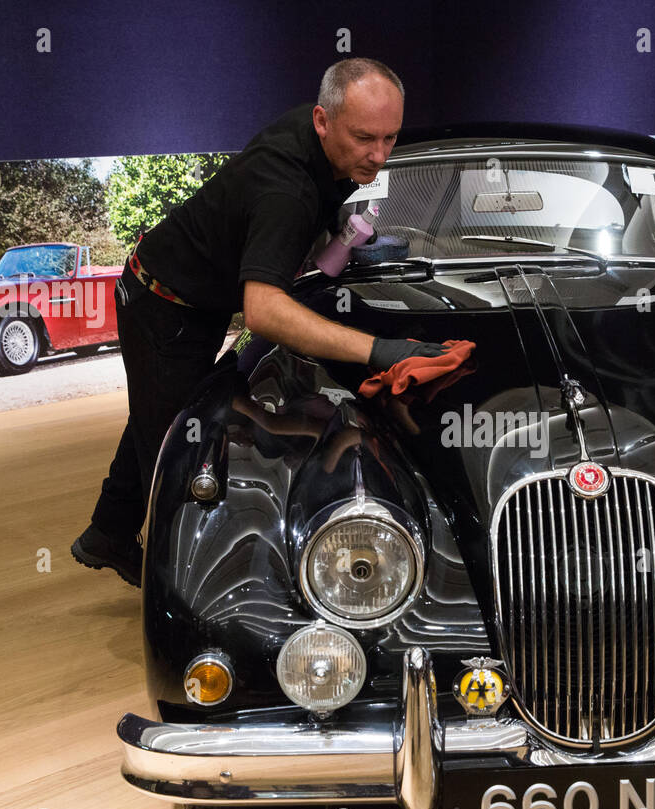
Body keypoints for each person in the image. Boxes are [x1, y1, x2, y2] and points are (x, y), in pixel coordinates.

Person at [71, 58, 445, 586]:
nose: (379, 156)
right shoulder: (286, 187)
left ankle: (107, 532)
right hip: (162, 302)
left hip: (188, 295)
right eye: (366, 139)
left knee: (158, 412)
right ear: (322, 119)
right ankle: (179, 600)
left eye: (390, 138)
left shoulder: (327, 147)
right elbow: (264, 311)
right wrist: (377, 349)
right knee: (183, 454)